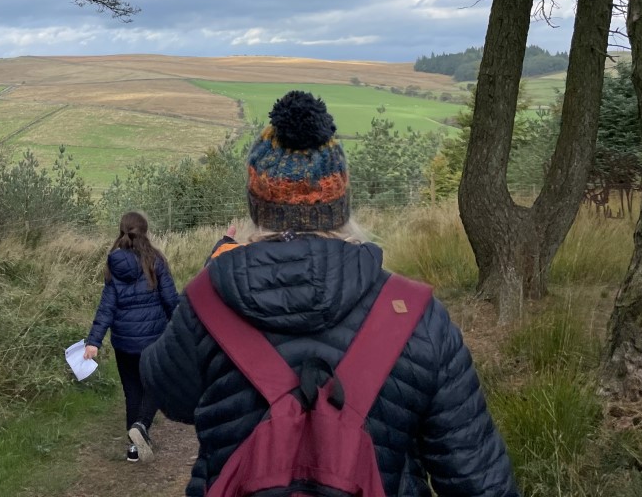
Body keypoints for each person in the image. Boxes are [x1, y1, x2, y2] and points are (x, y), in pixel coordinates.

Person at [141, 91, 519, 497]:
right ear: (342, 204)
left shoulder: (206, 302)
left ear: (256, 207)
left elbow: (171, 397)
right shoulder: (417, 317)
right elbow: (476, 478)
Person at [83, 210, 179, 463]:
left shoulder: (113, 263)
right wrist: (182, 329)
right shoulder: (155, 261)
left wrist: (94, 341)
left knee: (132, 392)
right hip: (154, 340)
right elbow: (170, 301)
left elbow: (107, 306)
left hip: (124, 343)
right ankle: (142, 425)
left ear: (121, 230)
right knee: (158, 384)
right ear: (144, 231)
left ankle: (134, 448)